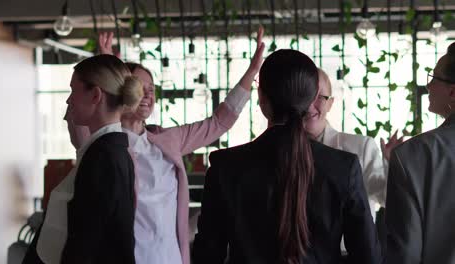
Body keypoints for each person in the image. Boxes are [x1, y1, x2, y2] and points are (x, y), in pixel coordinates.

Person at [90, 28, 265, 264]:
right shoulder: (104, 145)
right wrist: (108, 69)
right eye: (139, 88)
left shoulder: (168, 140)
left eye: (151, 90)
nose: (147, 95)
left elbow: (220, 121)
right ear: (123, 92)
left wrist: (252, 72)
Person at [193, 49, 383, 264]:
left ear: (261, 97)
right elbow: (368, 257)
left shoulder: (224, 167)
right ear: (311, 99)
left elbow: (207, 256)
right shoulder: (343, 167)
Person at [23, 54, 143, 264]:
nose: (69, 100)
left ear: (96, 95)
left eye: (73, 90)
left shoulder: (103, 156)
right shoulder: (107, 150)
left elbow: (85, 242)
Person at [386, 42, 455, 263]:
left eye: (434, 78)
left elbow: (405, 254)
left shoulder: (413, 156)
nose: (428, 87)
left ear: (453, 92)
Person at [305, 68, 390, 217]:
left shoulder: (361, 148)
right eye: (306, 96)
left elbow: (385, 198)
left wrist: (392, 164)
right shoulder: (282, 149)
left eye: (319, 96)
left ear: (330, 103)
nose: (311, 105)